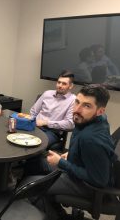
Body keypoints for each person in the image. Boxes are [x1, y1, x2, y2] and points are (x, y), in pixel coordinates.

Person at [34, 84, 116, 220]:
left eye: (87, 106)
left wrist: (61, 162)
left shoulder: (90, 139)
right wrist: (72, 154)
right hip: (79, 165)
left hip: (87, 186)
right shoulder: (96, 119)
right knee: (36, 163)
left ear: (100, 111)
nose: (77, 109)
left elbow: (99, 180)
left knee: (32, 190)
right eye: (77, 102)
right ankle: (52, 204)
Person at [30, 70, 75, 147]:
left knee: (34, 144)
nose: (60, 85)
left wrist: (46, 123)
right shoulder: (47, 93)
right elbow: (33, 111)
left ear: (71, 86)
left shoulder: (73, 100)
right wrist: (31, 122)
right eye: (58, 82)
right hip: (35, 126)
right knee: (17, 137)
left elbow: (70, 124)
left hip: (52, 132)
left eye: (64, 84)